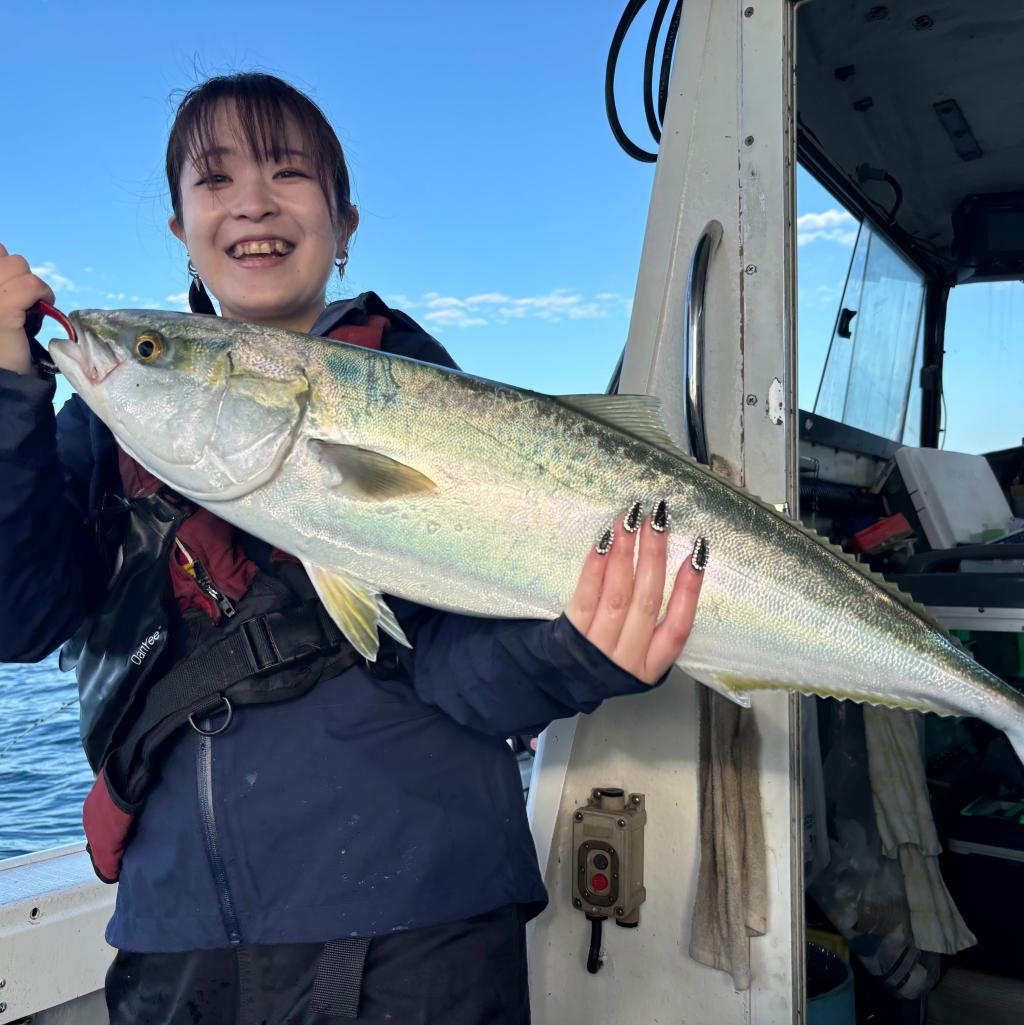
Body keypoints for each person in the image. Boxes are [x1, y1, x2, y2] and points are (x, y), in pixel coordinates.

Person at [0, 73, 706, 1025]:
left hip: (419, 922)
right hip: (180, 940)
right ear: (180, 229)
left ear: (344, 223)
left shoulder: (430, 404)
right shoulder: (101, 433)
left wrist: (575, 652)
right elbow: (20, 613)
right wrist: (9, 398)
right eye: (214, 181)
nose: (252, 200)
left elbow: (461, 671)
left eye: (289, 173)